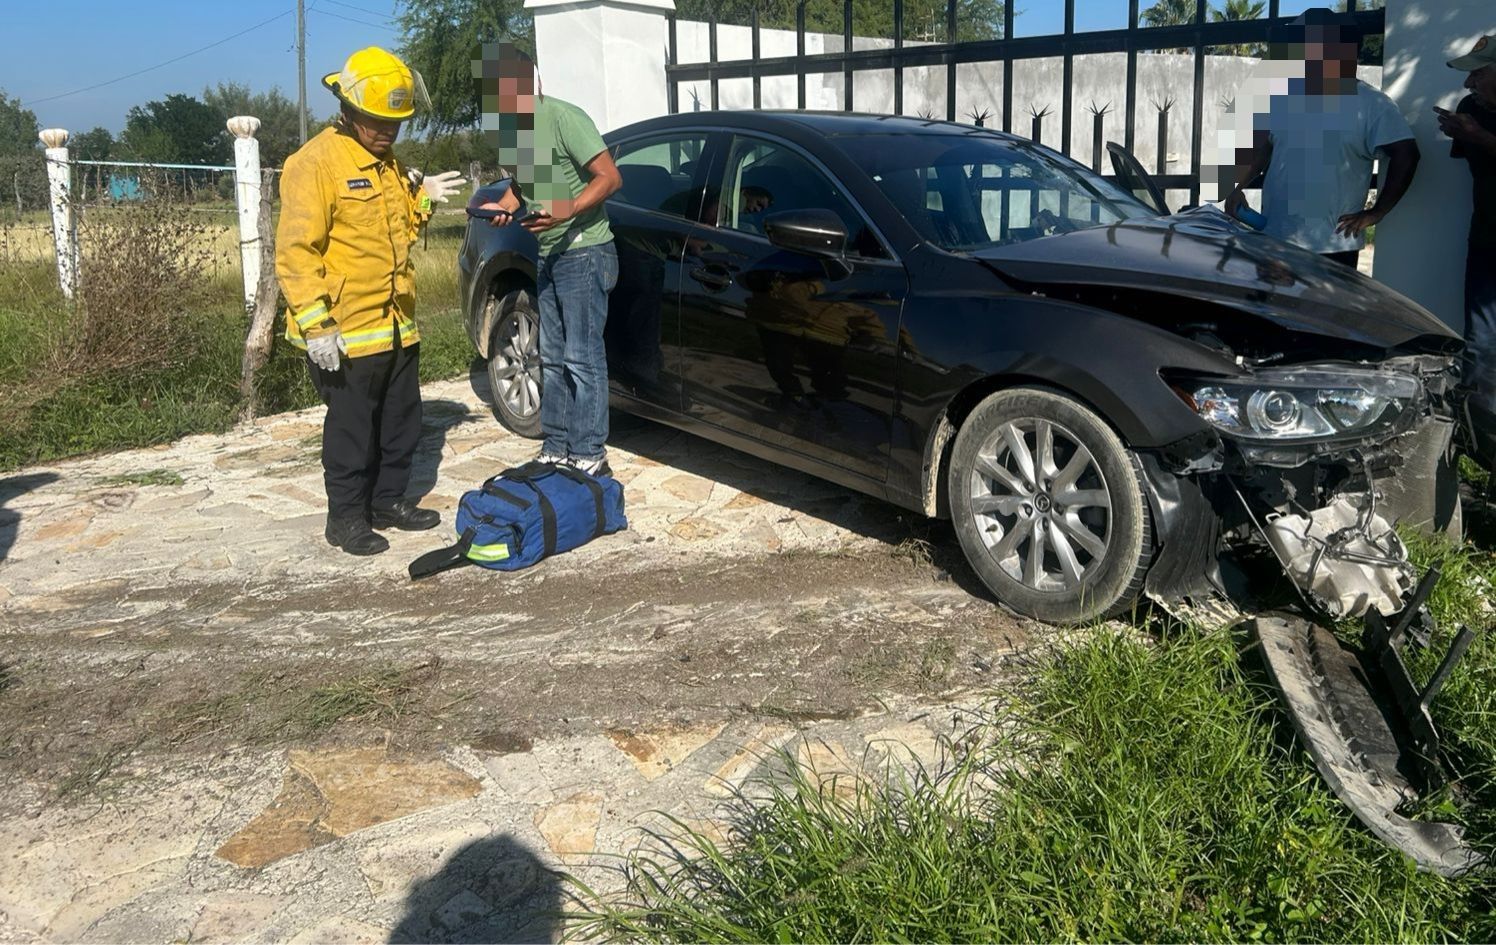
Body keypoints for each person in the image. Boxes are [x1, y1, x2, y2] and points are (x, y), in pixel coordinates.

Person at [276, 47, 466, 555]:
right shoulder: (314, 164)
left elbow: (399, 227)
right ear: (348, 109)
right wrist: (317, 324)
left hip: (396, 322)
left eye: (396, 123)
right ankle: (346, 520)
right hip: (344, 331)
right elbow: (295, 252)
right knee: (353, 432)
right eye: (378, 121)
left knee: (401, 422)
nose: (388, 132)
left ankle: (388, 502)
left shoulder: (388, 165)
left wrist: (423, 199)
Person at [477, 45, 623, 476]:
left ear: (526, 83)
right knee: (552, 355)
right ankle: (557, 445)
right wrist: (504, 206)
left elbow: (610, 177)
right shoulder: (514, 133)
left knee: (582, 357)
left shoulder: (564, 118)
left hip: (585, 251)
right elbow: (528, 186)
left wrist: (569, 208)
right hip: (550, 253)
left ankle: (590, 453)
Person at [1225, 7, 1420, 269]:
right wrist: (1238, 188)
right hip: (1276, 236)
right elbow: (1263, 149)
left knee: (1323, 311)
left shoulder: (1372, 104)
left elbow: (1407, 154)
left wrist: (1377, 213)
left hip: (1332, 247)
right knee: (1271, 309)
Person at [1438, 35, 1496, 464]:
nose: (1468, 84)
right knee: (1480, 343)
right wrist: (1468, 133)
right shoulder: (1470, 110)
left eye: (1477, 73)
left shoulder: (1476, 119)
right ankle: (1479, 443)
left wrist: (1482, 138)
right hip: (1488, 238)